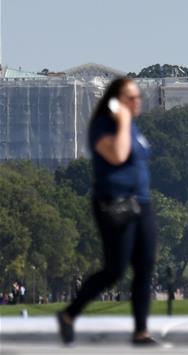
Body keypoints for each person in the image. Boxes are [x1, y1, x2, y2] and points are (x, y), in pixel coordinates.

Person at [57, 77, 157, 346]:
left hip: (141, 202)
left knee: (145, 267)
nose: (137, 102)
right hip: (113, 203)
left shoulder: (134, 127)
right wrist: (123, 121)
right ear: (116, 101)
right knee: (115, 269)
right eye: (131, 98)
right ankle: (69, 314)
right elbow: (118, 156)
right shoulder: (101, 127)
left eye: (138, 97)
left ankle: (141, 331)